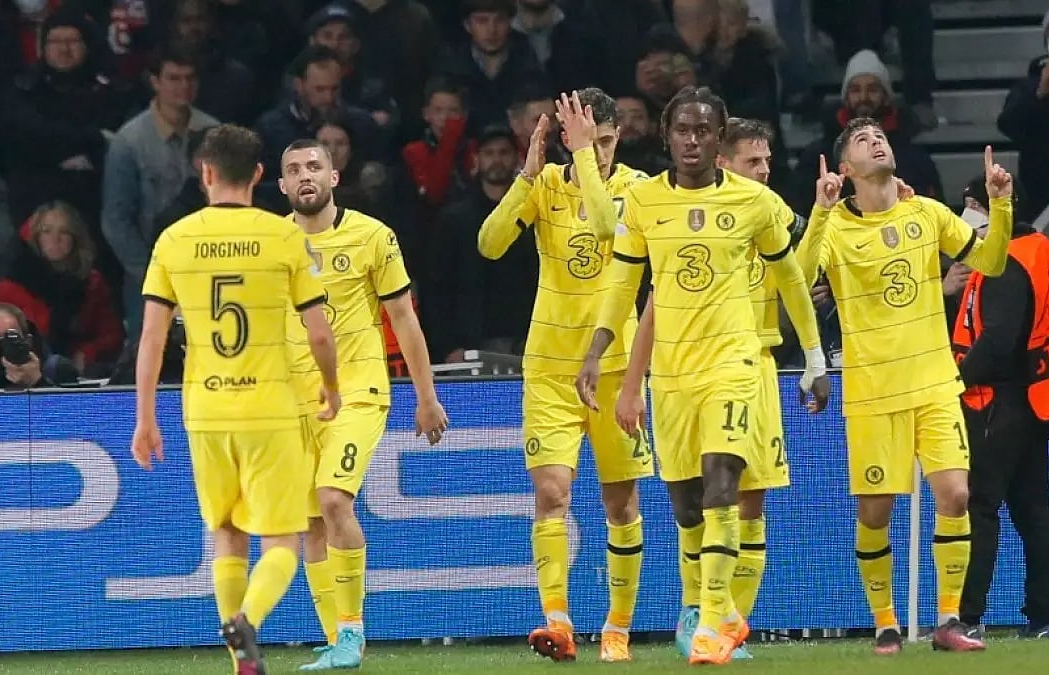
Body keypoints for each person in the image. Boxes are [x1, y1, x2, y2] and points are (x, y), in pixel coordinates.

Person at [581, 87, 828, 666]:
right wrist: (597, 349)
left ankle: (715, 624)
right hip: (671, 372)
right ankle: (713, 613)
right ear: (667, 136)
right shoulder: (642, 203)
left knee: (725, 483)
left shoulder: (754, 203)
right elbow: (623, 282)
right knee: (687, 505)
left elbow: (791, 280)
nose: (692, 139)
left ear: (719, 141)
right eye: (683, 130)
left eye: (704, 130)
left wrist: (815, 358)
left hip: (734, 362)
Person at [795, 117, 1015, 655]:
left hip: (935, 382)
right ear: (846, 169)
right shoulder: (839, 227)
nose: (877, 142)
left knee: (957, 495)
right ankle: (886, 622)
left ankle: (947, 621)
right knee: (876, 511)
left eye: (880, 136)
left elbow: (991, 259)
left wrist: (999, 203)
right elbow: (798, 278)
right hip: (872, 392)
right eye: (862, 141)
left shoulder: (927, 212)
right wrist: (822, 212)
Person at [129, 124, 343, 675]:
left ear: (204, 173)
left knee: (226, 533)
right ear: (257, 176)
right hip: (269, 410)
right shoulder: (283, 238)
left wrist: (145, 418)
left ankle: (238, 664)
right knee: (284, 540)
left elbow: (151, 339)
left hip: (205, 411)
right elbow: (320, 333)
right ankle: (248, 618)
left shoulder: (174, 240)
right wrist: (332, 386)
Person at [477, 88, 651, 663]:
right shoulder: (546, 185)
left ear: (616, 139)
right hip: (549, 368)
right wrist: (527, 178)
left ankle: (618, 628)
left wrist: (578, 157)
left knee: (620, 504)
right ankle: (557, 622)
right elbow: (490, 244)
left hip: (616, 367)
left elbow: (606, 229)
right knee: (551, 494)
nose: (595, 153)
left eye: (603, 142)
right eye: (586, 142)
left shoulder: (636, 188)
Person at [278, 139, 449, 671]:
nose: (305, 176)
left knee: (333, 500)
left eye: (314, 166)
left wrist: (426, 395)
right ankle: (335, 639)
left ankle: (351, 634)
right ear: (282, 186)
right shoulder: (269, 242)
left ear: (333, 176)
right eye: (293, 170)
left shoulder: (373, 236)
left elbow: (403, 318)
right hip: (291, 401)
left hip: (358, 391)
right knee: (309, 521)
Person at [951, 175, 1049, 640]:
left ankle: (968, 619)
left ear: (990, 207)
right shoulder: (1038, 250)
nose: (966, 217)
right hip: (1035, 396)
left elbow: (997, 340)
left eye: (970, 205)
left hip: (998, 401)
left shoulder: (1004, 261)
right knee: (1032, 507)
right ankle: (1041, 617)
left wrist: (953, 381)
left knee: (982, 507)